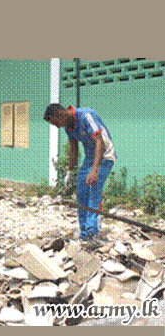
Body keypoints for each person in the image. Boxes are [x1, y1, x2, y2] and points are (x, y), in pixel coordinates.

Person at [44, 103, 116, 246]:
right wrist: (70, 172)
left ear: (61, 114)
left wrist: (95, 170)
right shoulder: (69, 127)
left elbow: (99, 141)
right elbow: (74, 148)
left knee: (94, 191)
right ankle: (84, 234)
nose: (57, 127)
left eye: (55, 123)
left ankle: (93, 233)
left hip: (104, 156)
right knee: (81, 193)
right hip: (90, 158)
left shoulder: (86, 116)